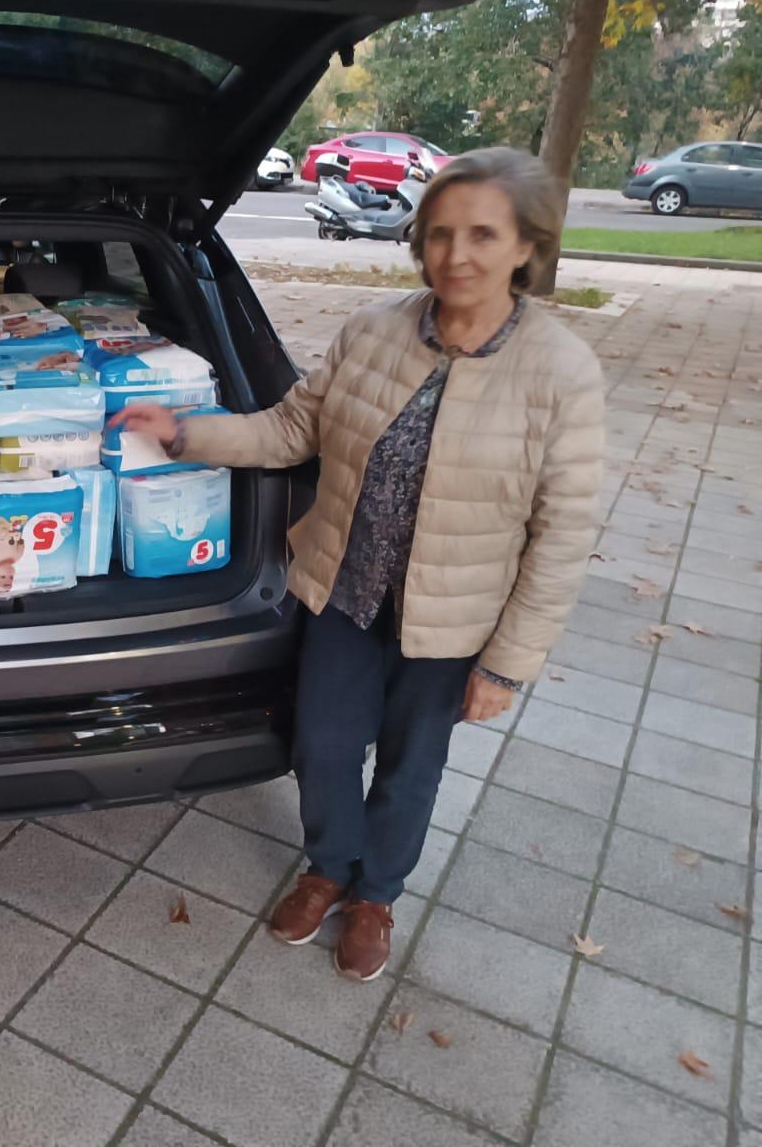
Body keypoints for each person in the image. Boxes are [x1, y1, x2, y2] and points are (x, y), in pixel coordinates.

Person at [112, 147, 604, 981]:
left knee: (413, 766)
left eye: (483, 234)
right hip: (345, 592)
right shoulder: (374, 332)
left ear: (527, 246)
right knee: (324, 746)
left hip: (452, 621)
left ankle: (376, 896)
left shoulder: (561, 373)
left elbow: (562, 536)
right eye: (440, 233)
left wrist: (508, 666)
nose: (457, 254)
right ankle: (329, 866)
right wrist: (186, 432)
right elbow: (289, 432)